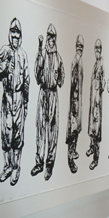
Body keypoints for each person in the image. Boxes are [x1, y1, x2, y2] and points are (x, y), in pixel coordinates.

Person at [0, 17, 30, 186]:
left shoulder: (23, 55)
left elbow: (27, 81)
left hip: (19, 98)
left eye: (18, 33)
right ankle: (7, 166)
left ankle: (16, 167)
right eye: (13, 33)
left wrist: (26, 104)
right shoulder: (4, 50)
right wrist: (4, 68)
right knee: (6, 134)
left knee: (17, 135)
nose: (15, 36)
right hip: (7, 97)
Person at [32, 23, 65, 181]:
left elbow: (62, 79)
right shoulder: (42, 54)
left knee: (52, 130)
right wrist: (39, 48)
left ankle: (49, 164)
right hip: (43, 93)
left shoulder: (58, 58)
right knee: (40, 128)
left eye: (53, 37)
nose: (50, 39)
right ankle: (39, 162)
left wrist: (57, 78)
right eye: (48, 36)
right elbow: (37, 73)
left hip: (53, 95)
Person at [65, 35, 84, 174]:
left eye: (81, 46)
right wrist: (74, 105)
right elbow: (73, 84)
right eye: (78, 46)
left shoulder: (80, 61)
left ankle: (74, 151)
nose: (79, 48)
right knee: (72, 132)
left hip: (78, 102)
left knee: (76, 130)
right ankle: (70, 160)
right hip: (74, 103)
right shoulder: (75, 62)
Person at [86, 39, 105, 171]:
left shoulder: (101, 65)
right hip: (93, 102)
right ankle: (92, 147)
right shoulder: (95, 64)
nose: (97, 50)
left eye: (99, 48)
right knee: (92, 128)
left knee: (96, 131)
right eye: (96, 48)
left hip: (97, 103)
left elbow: (103, 84)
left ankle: (96, 159)